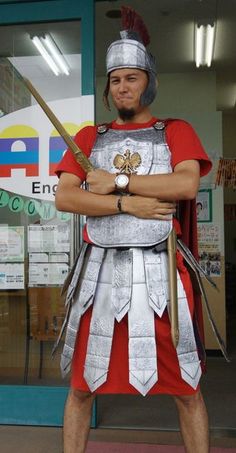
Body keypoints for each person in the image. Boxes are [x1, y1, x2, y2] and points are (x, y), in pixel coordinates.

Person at [55, 7, 213, 453]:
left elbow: (184, 183)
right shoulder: (89, 137)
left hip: (160, 275)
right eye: (116, 79)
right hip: (99, 274)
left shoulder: (174, 131)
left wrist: (117, 181)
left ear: (150, 82)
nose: (123, 87)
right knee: (82, 387)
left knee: (187, 387)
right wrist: (128, 203)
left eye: (132, 78)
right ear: (108, 88)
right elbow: (66, 197)